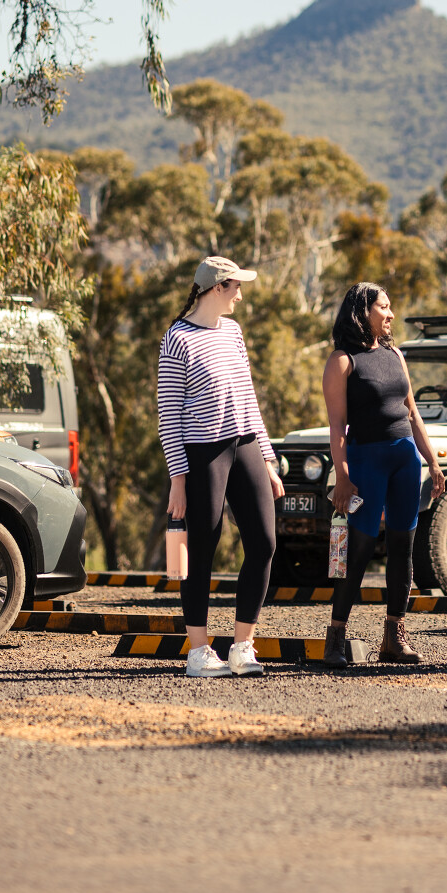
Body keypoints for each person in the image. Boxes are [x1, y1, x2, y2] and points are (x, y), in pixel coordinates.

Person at [158, 254, 285, 678]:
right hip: (202, 454)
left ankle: (242, 647)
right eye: (236, 287)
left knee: (264, 542)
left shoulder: (233, 332)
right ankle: (198, 652)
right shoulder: (177, 338)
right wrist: (178, 480)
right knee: (201, 551)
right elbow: (169, 417)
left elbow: (248, 398)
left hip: (245, 443)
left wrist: (267, 458)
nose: (240, 296)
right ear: (217, 288)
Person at [321, 283, 446, 668]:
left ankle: (394, 637)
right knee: (358, 550)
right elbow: (337, 426)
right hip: (365, 461)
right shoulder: (342, 361)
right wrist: (343, 476)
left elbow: (413, 413)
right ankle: (335, 638)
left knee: (402, 549)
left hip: (405, 459)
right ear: (363, 311)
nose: (390, 314)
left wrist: (432, 461)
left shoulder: (395, 354)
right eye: (384, 307)